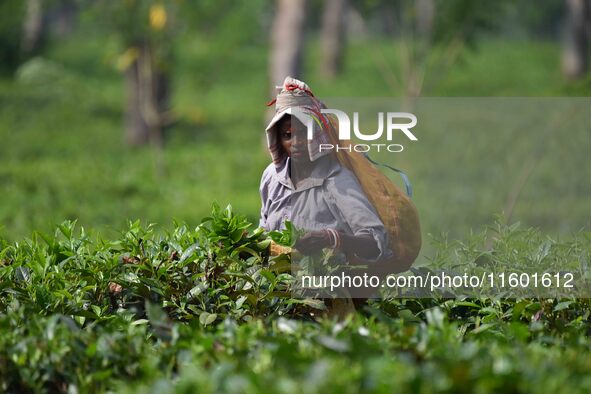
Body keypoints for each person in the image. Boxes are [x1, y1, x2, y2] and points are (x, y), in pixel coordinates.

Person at [259, 77, 392, 266]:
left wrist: (331, 238)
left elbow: (375, 243)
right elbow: (264, 228)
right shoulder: (272, 176)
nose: (296, 143)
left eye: (303, 133)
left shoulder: (336, 180)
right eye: (287, 135)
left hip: (326, 289)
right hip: (275, 287)